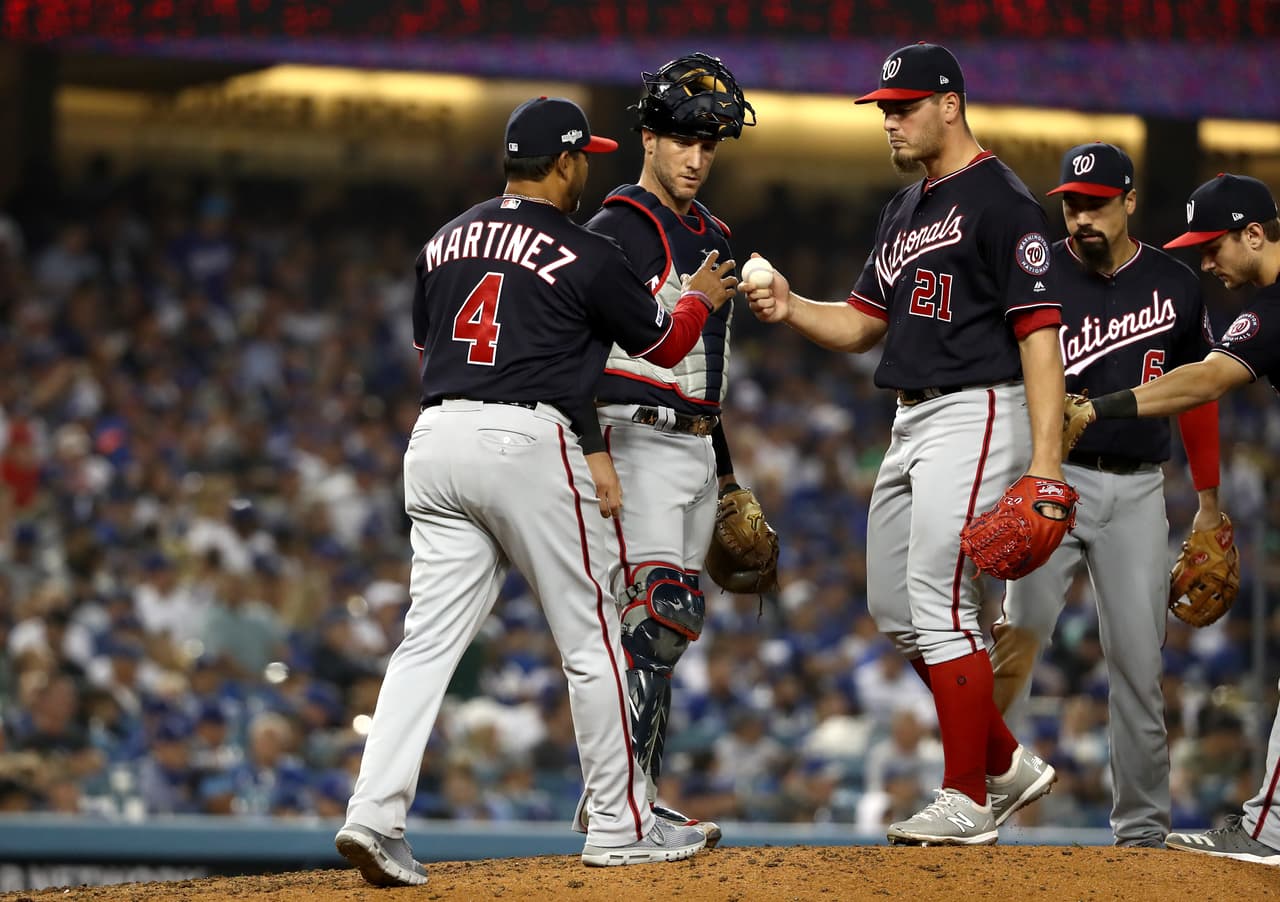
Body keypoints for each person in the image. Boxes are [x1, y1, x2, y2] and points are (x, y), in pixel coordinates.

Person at [333, 96, 740, 887]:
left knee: (425, 644)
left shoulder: (445, 237)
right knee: (591, 642)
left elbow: (432, 336)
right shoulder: (584, 250)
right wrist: (698, 296)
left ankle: (372, 815)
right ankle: (619, 825)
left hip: (435, 439)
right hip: (525, 439)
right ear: (564, 163)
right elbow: (665, 340)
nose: (585, 166)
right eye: (581, 155)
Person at [744, 42, 1063, 845]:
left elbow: (1039, 336)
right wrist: (789, 306)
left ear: (950, 104)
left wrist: (1046, 462)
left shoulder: (1001, 201)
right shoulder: (904, 209)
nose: (890, 119)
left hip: (979, 405)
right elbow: (860, 325)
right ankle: (1005, 760)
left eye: (906, 106)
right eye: (885, 108)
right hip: (912, 415)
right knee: (894, 606)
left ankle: (967, 799)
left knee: (940, 598)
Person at [989, 143, 1224, 848]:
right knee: (1017, 642)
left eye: (1096, 203)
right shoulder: (1038, 272)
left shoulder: (1175, 283)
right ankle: (978, 794)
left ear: (1129, 202)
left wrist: (1209, 501)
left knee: (1138, 665)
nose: (1082, 216)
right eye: (1071, 203)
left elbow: (1201, 396)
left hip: (1135, 490)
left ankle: (1143, 834)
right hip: (1047, 479)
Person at [570, 51, 757, 848]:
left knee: (667, 632)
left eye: (709, 143)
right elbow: (574, 348)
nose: (697, 156)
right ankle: (621, 811)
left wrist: (726, 474)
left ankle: (633, 799)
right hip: (631, 438)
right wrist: (592, 449)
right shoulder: (616, 226)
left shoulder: (714, 232)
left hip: (690, 445)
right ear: (648, 134)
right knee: (652, 620)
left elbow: (707, 374)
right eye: (684, 138)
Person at [1073, 172, 1280, 866]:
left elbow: (1204, 379)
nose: (1205, 262)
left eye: (1215, 245)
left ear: (1255, 234)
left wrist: (1103, 407)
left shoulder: (1272, 309)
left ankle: (1273, 828)